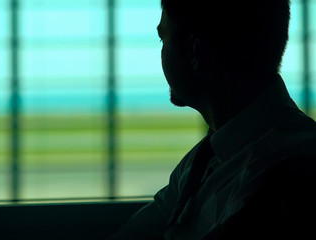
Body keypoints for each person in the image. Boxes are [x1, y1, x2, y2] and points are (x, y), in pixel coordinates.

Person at [109, 0, 316, 239]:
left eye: (163, 39)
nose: (162, 52)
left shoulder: (288, 179)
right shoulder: (207, 157)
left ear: (194, 50)